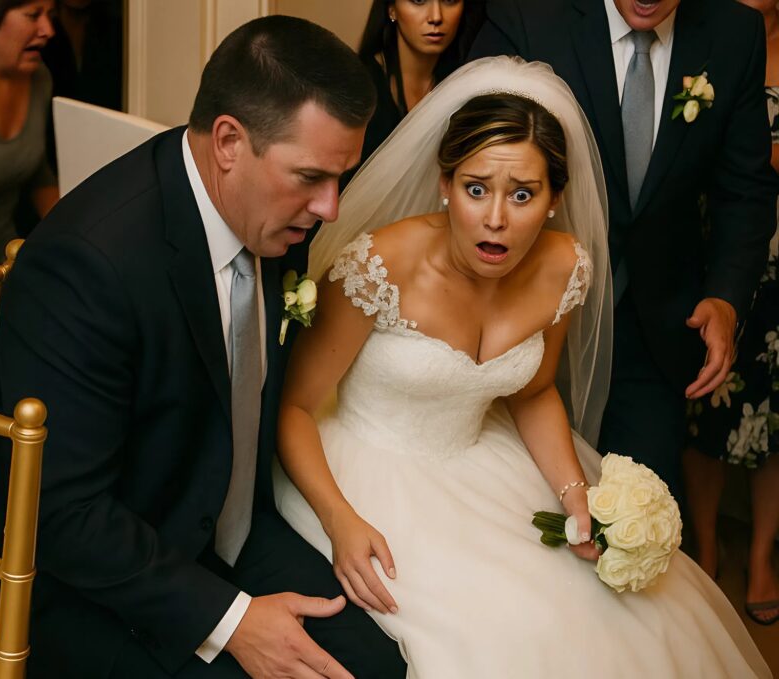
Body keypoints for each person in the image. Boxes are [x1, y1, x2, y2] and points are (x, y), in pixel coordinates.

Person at [272, 56, 770, 678]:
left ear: (556, 199)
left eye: (523, 194)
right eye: (476, 188)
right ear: (445, 184)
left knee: (620, 617)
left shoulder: (565, 267)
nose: (496, 219)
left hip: (484, 462)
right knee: (495, 636)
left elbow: (533, 393)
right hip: (360, 473)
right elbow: (294, 407)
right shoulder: (379, 265)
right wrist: (341, 520)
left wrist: (576, 496)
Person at [0, 15, 406, 679]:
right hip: (98, 585)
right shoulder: (88, 264)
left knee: (379, 667)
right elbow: (64, 517)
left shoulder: (273, 217)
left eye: (339, 178)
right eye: (310, 176)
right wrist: (232, 620)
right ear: (229, 141)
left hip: (222, 523)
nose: (330, 208)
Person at [468, 0, 778, 502]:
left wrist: (725, 296)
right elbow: (473, 157)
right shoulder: (529, 17)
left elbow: (745, 189)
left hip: (654, 325)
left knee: (643, 510)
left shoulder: (733, 34)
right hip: (525, 312)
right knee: (520, 503)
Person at [683, 0, 779, 627]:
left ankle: (763, 556)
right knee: (707, 405)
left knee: (776, 414)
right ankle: (707, 545)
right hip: (717, 250)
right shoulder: (709, 29)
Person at [356, 0, 485, 165]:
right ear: (391, 9)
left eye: (449, 0)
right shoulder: (360, 83)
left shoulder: (469, 87)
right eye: (418, 1)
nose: (436, 17)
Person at [0, 0, 59, 267]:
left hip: (5, 256)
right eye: (33, 15)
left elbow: (37, 171)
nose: (48, 30)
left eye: (50, 15)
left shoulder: (40, 77)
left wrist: (77, 235)